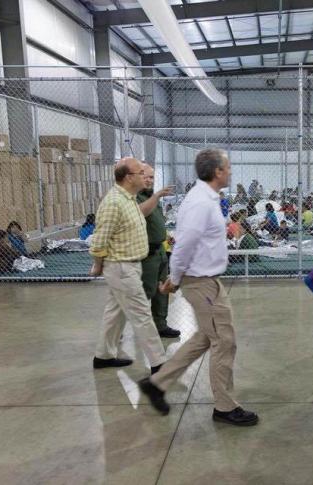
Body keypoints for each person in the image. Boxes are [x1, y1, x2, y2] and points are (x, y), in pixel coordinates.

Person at [139, 148, 259, 427]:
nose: (230, 171)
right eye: (227, 167)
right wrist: (175, 279)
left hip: (208, 280)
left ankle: (157, 383)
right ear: (217, 171)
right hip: (200, 282)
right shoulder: (200, 202)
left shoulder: (207, 198)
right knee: (224, 341)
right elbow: (183, 245)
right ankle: (225, 406)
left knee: (206, 338)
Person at [89, 157, 167, 375]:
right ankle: (159, 364)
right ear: (128, 177)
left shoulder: (129, 199)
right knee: (142, 314)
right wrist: (97, 265)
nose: (146, 177)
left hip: (130, 266)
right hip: (121, 268)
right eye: (141, 173)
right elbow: (99, 240)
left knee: (115, 313)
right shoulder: (114, 202)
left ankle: (103, 356)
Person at [138, 164, 180, 339]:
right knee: (143, 292)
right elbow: (141, 213)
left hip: (160, 250)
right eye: (145, 176)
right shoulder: (135, 197)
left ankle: (160, 325)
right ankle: (128, 327)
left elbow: (156, 222)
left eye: (152, 177)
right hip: (146, 254)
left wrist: (166, 236)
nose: (149, 180)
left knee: (162, 291)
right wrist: (156, 196)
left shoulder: (151, 198)